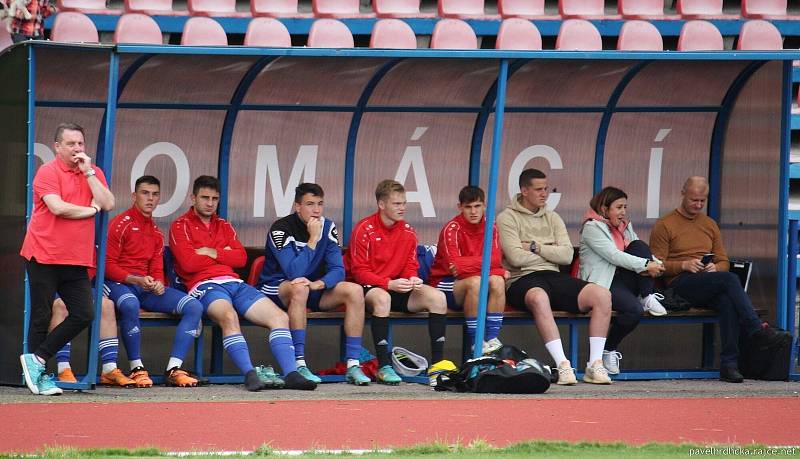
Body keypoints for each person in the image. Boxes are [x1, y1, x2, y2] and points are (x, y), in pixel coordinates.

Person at [169, 175, 315, 391]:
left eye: (214, 198)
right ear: (193, 198)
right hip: (204, 285)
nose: (210, 203)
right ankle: (249, 373)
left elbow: (241, 258)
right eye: (205, 198)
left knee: (279, 317)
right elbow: (188, 263)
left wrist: (210, 252)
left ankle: (291, 373)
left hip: (235, 283)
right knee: (229, 316)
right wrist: (224, 254)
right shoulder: (180, 226)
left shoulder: (224, 225)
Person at [19, 122, 115, 396]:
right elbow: (58, 208)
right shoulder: (46, 171)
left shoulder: (92, 173)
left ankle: (36, 360)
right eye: (71, 144)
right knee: (41, 314)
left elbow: (108, 203)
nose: (77, 149)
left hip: (76, 259)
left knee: (85, 312)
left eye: (80, 144)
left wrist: (89, 173)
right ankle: (39, 377)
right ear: (57, 147)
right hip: (44, 254)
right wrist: (89, 210)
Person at [649, 176, 773, 383]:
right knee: (730, 280)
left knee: (727, 301)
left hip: (708, 282)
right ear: (683, 194)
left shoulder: (709, 224)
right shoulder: (665, 225)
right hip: (679, 285)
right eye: (693, 200)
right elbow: (656, 267)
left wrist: (715, 267)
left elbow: (723, 260)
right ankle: (754, 328)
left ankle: (729, 364)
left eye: (702, 201)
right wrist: (684, 265)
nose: (698, 205)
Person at [497, 168, 612, 385]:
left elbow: (567, 255)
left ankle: (594, 364)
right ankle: (563, 365)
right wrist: (550, 252)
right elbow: (514, 257)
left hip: (553, 274)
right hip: (521, 279)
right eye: (538, 189)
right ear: (524, 191)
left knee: (602, 295)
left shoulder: (553, 217)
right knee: (539, 297)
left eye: (546, 189)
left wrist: (534, 247)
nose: (544, 194)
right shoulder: (507, 217)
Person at [256, 183, 370, 386]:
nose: (316, 209)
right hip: (277, 289)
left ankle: (353, 365)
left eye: (320, 204)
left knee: (354, 290)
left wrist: (319, 283)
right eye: (310, 204)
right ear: (297, 206)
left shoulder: (327, 226)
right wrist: (313, 239)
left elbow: (338, 270)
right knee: (299, 287)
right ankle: (299, 363)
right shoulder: (281, 228)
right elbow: (293, 273)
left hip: (311, 288)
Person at [103, 175, 205, 388]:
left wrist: (158, 282)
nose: (150, 198)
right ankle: (137, 368)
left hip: (144, 287)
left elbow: (157, 267)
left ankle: (174, 369)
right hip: (119, 284)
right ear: (134, 195)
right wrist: (136, 280)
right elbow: (107, 265)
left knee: (194, 306)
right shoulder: (119, 225)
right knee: (130, 304)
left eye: (155, 194)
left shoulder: (156, 232)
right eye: (145, 193)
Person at [348, 180, 448, 386]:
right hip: (369, 289)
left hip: (397, 286)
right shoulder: (364, 229)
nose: (402, 208)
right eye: (396, 204)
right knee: (383, 298)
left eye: (403, 203)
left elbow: (410, 264)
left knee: (438, 298)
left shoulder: (408, 231)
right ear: (382, 205)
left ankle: (438, 367)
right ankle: (384, 366)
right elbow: (359, 272)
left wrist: (413, 277)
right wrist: (387, 283)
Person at [578, 186, 667, 375]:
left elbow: (639, 251)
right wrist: (647, 265)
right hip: (602, 283)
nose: (623, 212)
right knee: (634, 311)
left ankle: (647, 296)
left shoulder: (625, 225)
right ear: (604, 208)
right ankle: (609, 349)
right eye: (618, 207)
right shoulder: (592, 227)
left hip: (623, 278)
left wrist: (657, 264)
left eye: (625, 207)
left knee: (639, 245)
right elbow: (614, 256)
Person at [428, 185, 507, 356]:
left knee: (497, 281)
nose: (473, 211)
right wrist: (494, 268)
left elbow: (496, 259)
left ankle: (491, 338)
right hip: (445, 284)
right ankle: (476, 341)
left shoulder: (490, 226)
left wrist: (492, 269)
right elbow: (457, 268)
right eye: (468, 207)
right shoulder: (452, 229)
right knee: (478, 281)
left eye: (477, 206)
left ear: (484, 206)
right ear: (460, 207)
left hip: (477, 283)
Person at [50, 294, 138, 387]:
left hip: (79, 284)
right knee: (61, 304)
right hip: (53, 287)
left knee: (106, 305)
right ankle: (63, 368)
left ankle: (109, 369)